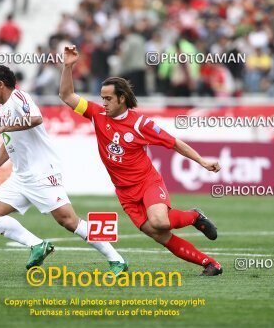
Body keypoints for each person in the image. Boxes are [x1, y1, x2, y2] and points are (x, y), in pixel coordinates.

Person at [59, 46, 223, 276]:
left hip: (147, 183)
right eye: (102, 98)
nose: (103, 103)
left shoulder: (140, 124)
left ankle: (194, 216)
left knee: (160, 221)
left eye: (108, 99)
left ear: (122, 98)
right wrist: (68, 67)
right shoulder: (97, 114)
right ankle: (210, 264)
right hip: (125, 193)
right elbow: (66, 96)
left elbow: (174, 142)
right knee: (160, 235)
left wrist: (201, 161)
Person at [0, 65, 128, 274]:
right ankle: (37, 245)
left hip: (42, 172)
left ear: (1, 85)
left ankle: (116, 259)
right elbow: (9, 143)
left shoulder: (19, 97)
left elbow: (36, 118)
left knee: (68, 220)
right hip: (21, 178)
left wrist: (3, 128)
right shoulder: (2, 112)